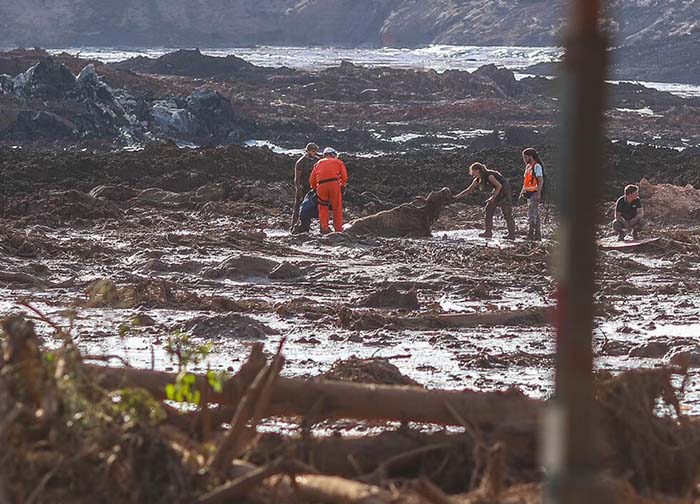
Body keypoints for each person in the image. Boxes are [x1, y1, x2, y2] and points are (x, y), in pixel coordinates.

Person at [453, 162, 516, 239]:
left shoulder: (489, 175)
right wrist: (456, 197)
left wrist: (493, 197)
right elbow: (469, 190)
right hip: (497, 190)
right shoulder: (478, 179)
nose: (472, 174)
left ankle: (511, 234)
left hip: (505, 190)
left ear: (478, 170)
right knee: (488, 209)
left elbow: (499, 186)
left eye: (473, 172)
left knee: (507, 213)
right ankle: (488, 232)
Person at [309, 147, 348, 234]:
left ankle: (324, 229)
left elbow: (312, 180)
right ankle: (338, 229)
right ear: (333, 154)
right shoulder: (338, 162)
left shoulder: (317, 164)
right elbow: (344, 177)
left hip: (321, 186)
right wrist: (342, 185)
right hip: (334, 184)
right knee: (336, 207)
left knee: (323, 207)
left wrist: (315, 189)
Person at [290, 142, 321, 233]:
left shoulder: (317, 161)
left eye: (315, 151)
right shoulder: (301, 162)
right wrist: (298, 190)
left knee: (312, 207)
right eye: (313, 151)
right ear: (307, 151)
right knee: (298, 207)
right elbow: (297, 178)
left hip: (314, 188)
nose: (314, 152)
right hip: (304, 187)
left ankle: (306, 226)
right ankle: (293, 226)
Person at [519, 148, 544, 241]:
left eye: (525, 157)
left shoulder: (537, 166)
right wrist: (522, 191)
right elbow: (526, 181)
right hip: (528, 193)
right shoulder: (528, 167)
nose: (524, 159)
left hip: (534, 192)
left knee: (532, 214)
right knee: (535, 213)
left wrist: (539, 193)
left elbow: (540, 180)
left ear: (530, 156)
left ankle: (531, 234)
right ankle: (537, 235)